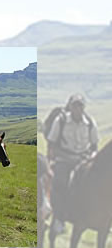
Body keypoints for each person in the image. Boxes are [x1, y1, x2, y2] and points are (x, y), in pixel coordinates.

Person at [47, 93, 98, 233]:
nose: (78, 109)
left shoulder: (90, 122)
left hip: (84, 159)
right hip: (65, 158)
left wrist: (92, 158)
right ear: (71, 107)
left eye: (80, 106)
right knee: (60, 184)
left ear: (83, 107)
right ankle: (59, 218)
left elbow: (94, 145)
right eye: (75, 106)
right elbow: (52, 143)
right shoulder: (61, 120)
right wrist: (52, 159)